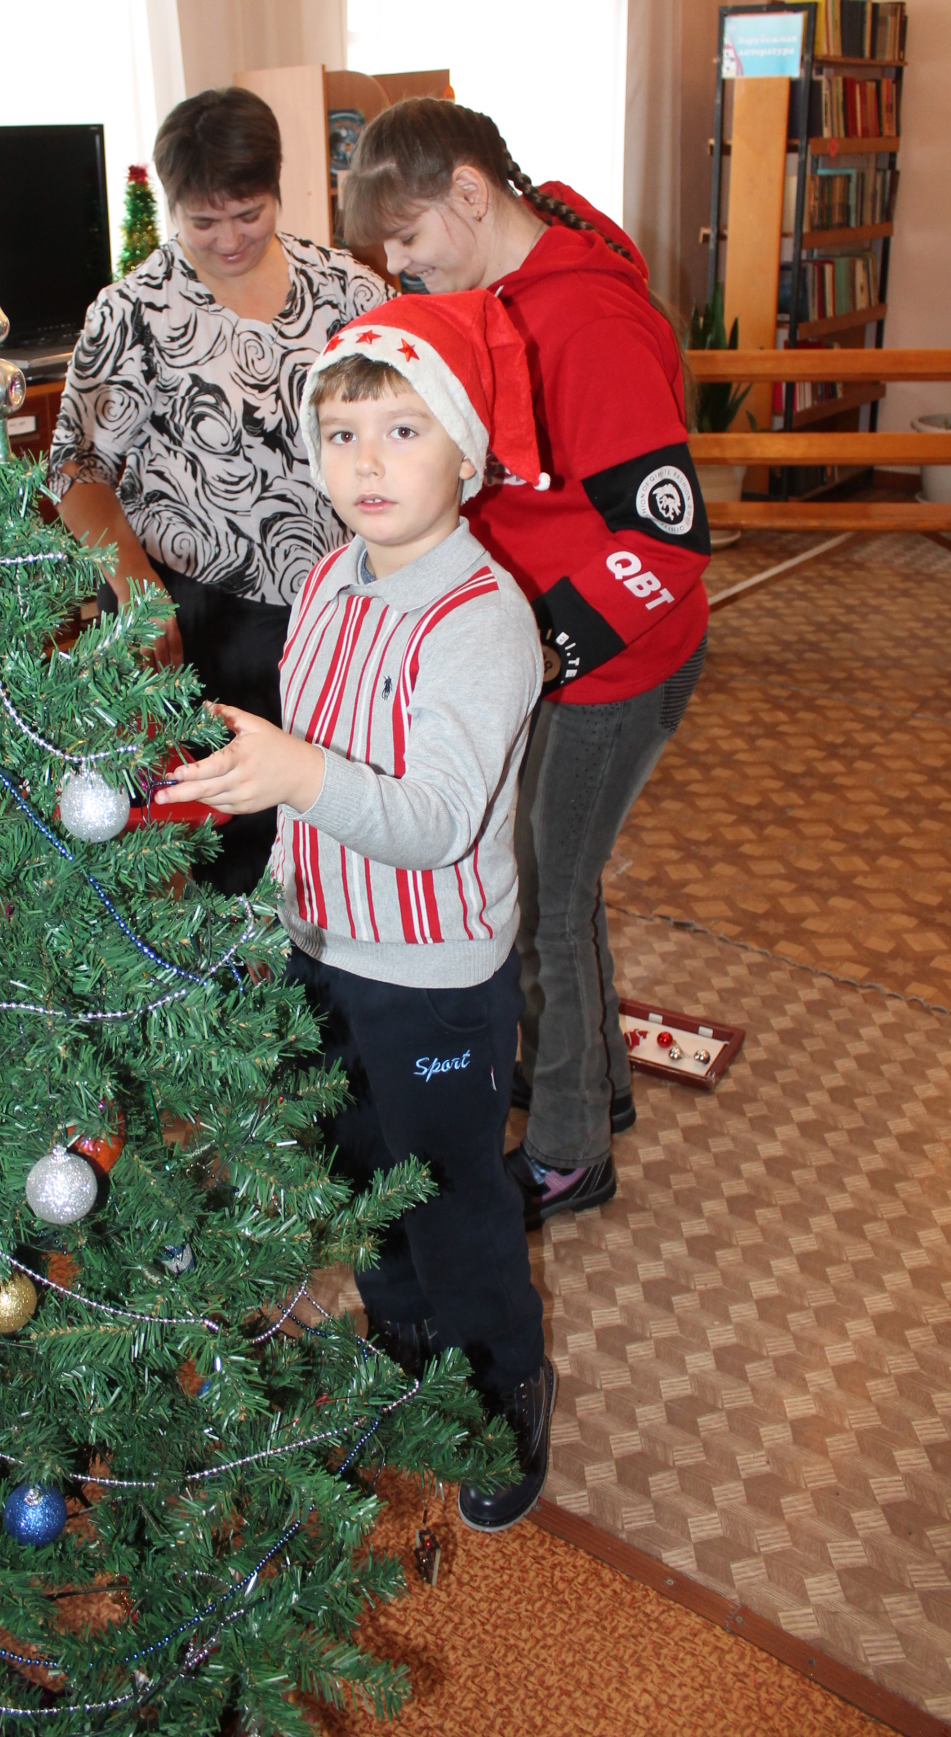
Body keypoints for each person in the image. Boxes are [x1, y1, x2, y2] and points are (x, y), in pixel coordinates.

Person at [158, 290, 555, 1533]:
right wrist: (269, 867)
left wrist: (295, 774)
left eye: (401, 430)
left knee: (448, 1191)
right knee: (354, 1172)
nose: (364, 463)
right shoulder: (328, 576)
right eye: (339, 436)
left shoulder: (481, 619)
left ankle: (499, 1389)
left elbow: (432, 817)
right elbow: (312, 756)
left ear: (464, 450)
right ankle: (403, 1342)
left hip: (433, 973)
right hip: (320, 946)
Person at [340, 100, 710, 1229]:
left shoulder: (585, 321)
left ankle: (565, 1151)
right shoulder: (495, 298)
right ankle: (588, 1083)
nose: (398, 268)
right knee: (552, 887)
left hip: (611, 667)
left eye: (406, 241)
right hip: (556, 657)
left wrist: (536, 651)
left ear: (467, 192)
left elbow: (668, 535)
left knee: (544, 903)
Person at [48, 86, 387, 892]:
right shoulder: (132, 313)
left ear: (279, 189)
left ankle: (338, 1001)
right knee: (234, 845)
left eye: (249, 212)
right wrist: (134, 585)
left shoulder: (348, 292)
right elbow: (77, 469)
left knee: (345, 817)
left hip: (346, 607)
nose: (230, 239)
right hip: (204, 615)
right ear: (171, 208)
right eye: (203, 222)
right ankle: (243, 1007)